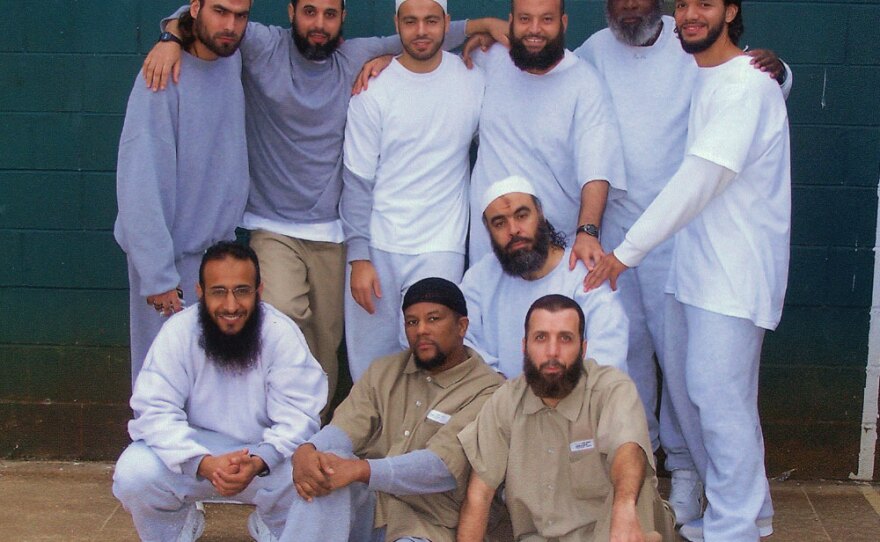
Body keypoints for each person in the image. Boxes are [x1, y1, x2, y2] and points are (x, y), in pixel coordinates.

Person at [143, 0, 507, 413]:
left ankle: (310, 438)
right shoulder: (262, 45)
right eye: (310, 12)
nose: (319, 23)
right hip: (273, 226)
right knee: (280, 318)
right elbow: (214, 15)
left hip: (333, 232)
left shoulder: (355, 56)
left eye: (329, 14)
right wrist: (171, 35)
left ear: (342, 19)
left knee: (323, 343)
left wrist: (485, 24)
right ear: (291, 11)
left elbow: (416, 36)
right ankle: (278, 429)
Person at [573, 0, 792, 524]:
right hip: (695, 262)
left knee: (719, 400)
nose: (692, 15)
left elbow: (697, 179)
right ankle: (749, 514)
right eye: (687, 5)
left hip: (730, 271)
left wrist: (625, 254)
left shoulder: (743, 83)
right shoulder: (705, 71)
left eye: (705, 5)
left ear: (730, 10)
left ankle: (733, 525)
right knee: (710, 395)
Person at [112, 241, 327, 542]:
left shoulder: (280, 333)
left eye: (242, 290)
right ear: (200, 292)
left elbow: (300, 417)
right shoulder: (178, 332)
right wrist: (203, 463)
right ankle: (175, 532)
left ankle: (276, 526)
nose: (230, 306)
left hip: (265, 458)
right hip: (194, 455)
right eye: (218, 292)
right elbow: (154, 410)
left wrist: (258, 460)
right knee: (134, 473)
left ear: (258, 291)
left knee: (318, 471)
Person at [283, 277, 505, 542]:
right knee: (325, 472)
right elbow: (345, 428)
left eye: (433, 319)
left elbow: (439, 468)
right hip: (374, 508)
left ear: (461, 326)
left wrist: (361, 470)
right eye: (412, 322)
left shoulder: (489, 390)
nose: (421, 330)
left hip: (429, 526)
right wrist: (308, 450)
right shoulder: (384, 370)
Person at [341, 0, 484, 380]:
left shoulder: (473, 78)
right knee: (371, 368)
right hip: (378, 245)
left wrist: (488, 29)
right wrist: (359, 257)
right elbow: (357, 181)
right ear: (396, 24)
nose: (421, 31)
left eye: (431, 21)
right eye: (411, 21)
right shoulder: (373, 88)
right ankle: (370, 440)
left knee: (434, 357)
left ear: (447, 23)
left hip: (441, 244)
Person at [456, 295, 673, 542]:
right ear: (524, 346)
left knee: (633, 491)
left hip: (613, 532)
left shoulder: (611, 388)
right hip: (539, 537)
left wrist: (624, 508)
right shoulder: (506, 401)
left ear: (583, 349)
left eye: (565, 339)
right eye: (541, 338)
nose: (552, 352)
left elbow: (628, 451)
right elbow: (479, 496)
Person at [114, 0, 251, 387]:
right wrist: (157, 275)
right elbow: (138, 181)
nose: (230, 25)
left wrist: (171, 31)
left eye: (241, 16)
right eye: (220, 12)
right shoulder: (160, 76)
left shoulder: (230, 60)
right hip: (170, 262)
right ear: (196, 8)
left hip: (217, 255)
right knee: (161, 383)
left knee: (210, 385)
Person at [465, 0, 625, 270]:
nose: (535, 30)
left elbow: (597, 171)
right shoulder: (490, 58)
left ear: (563, 23)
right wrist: (482, 26)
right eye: (525, 19)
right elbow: (423, 45)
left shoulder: (585, 84)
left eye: (546, 20)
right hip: (489, 254)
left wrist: (587, 232)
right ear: (511, 22)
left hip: (553, 253)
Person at [461, 176, 628, 378]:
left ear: (540, 215)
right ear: (488, 231)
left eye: (521, 216)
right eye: (499, 223)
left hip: (576, 399)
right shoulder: (481, 277)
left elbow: (608, 351)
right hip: (501, 399)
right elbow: (461, 338)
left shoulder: (583, 274)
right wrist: (498, 384)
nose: (513, 230)